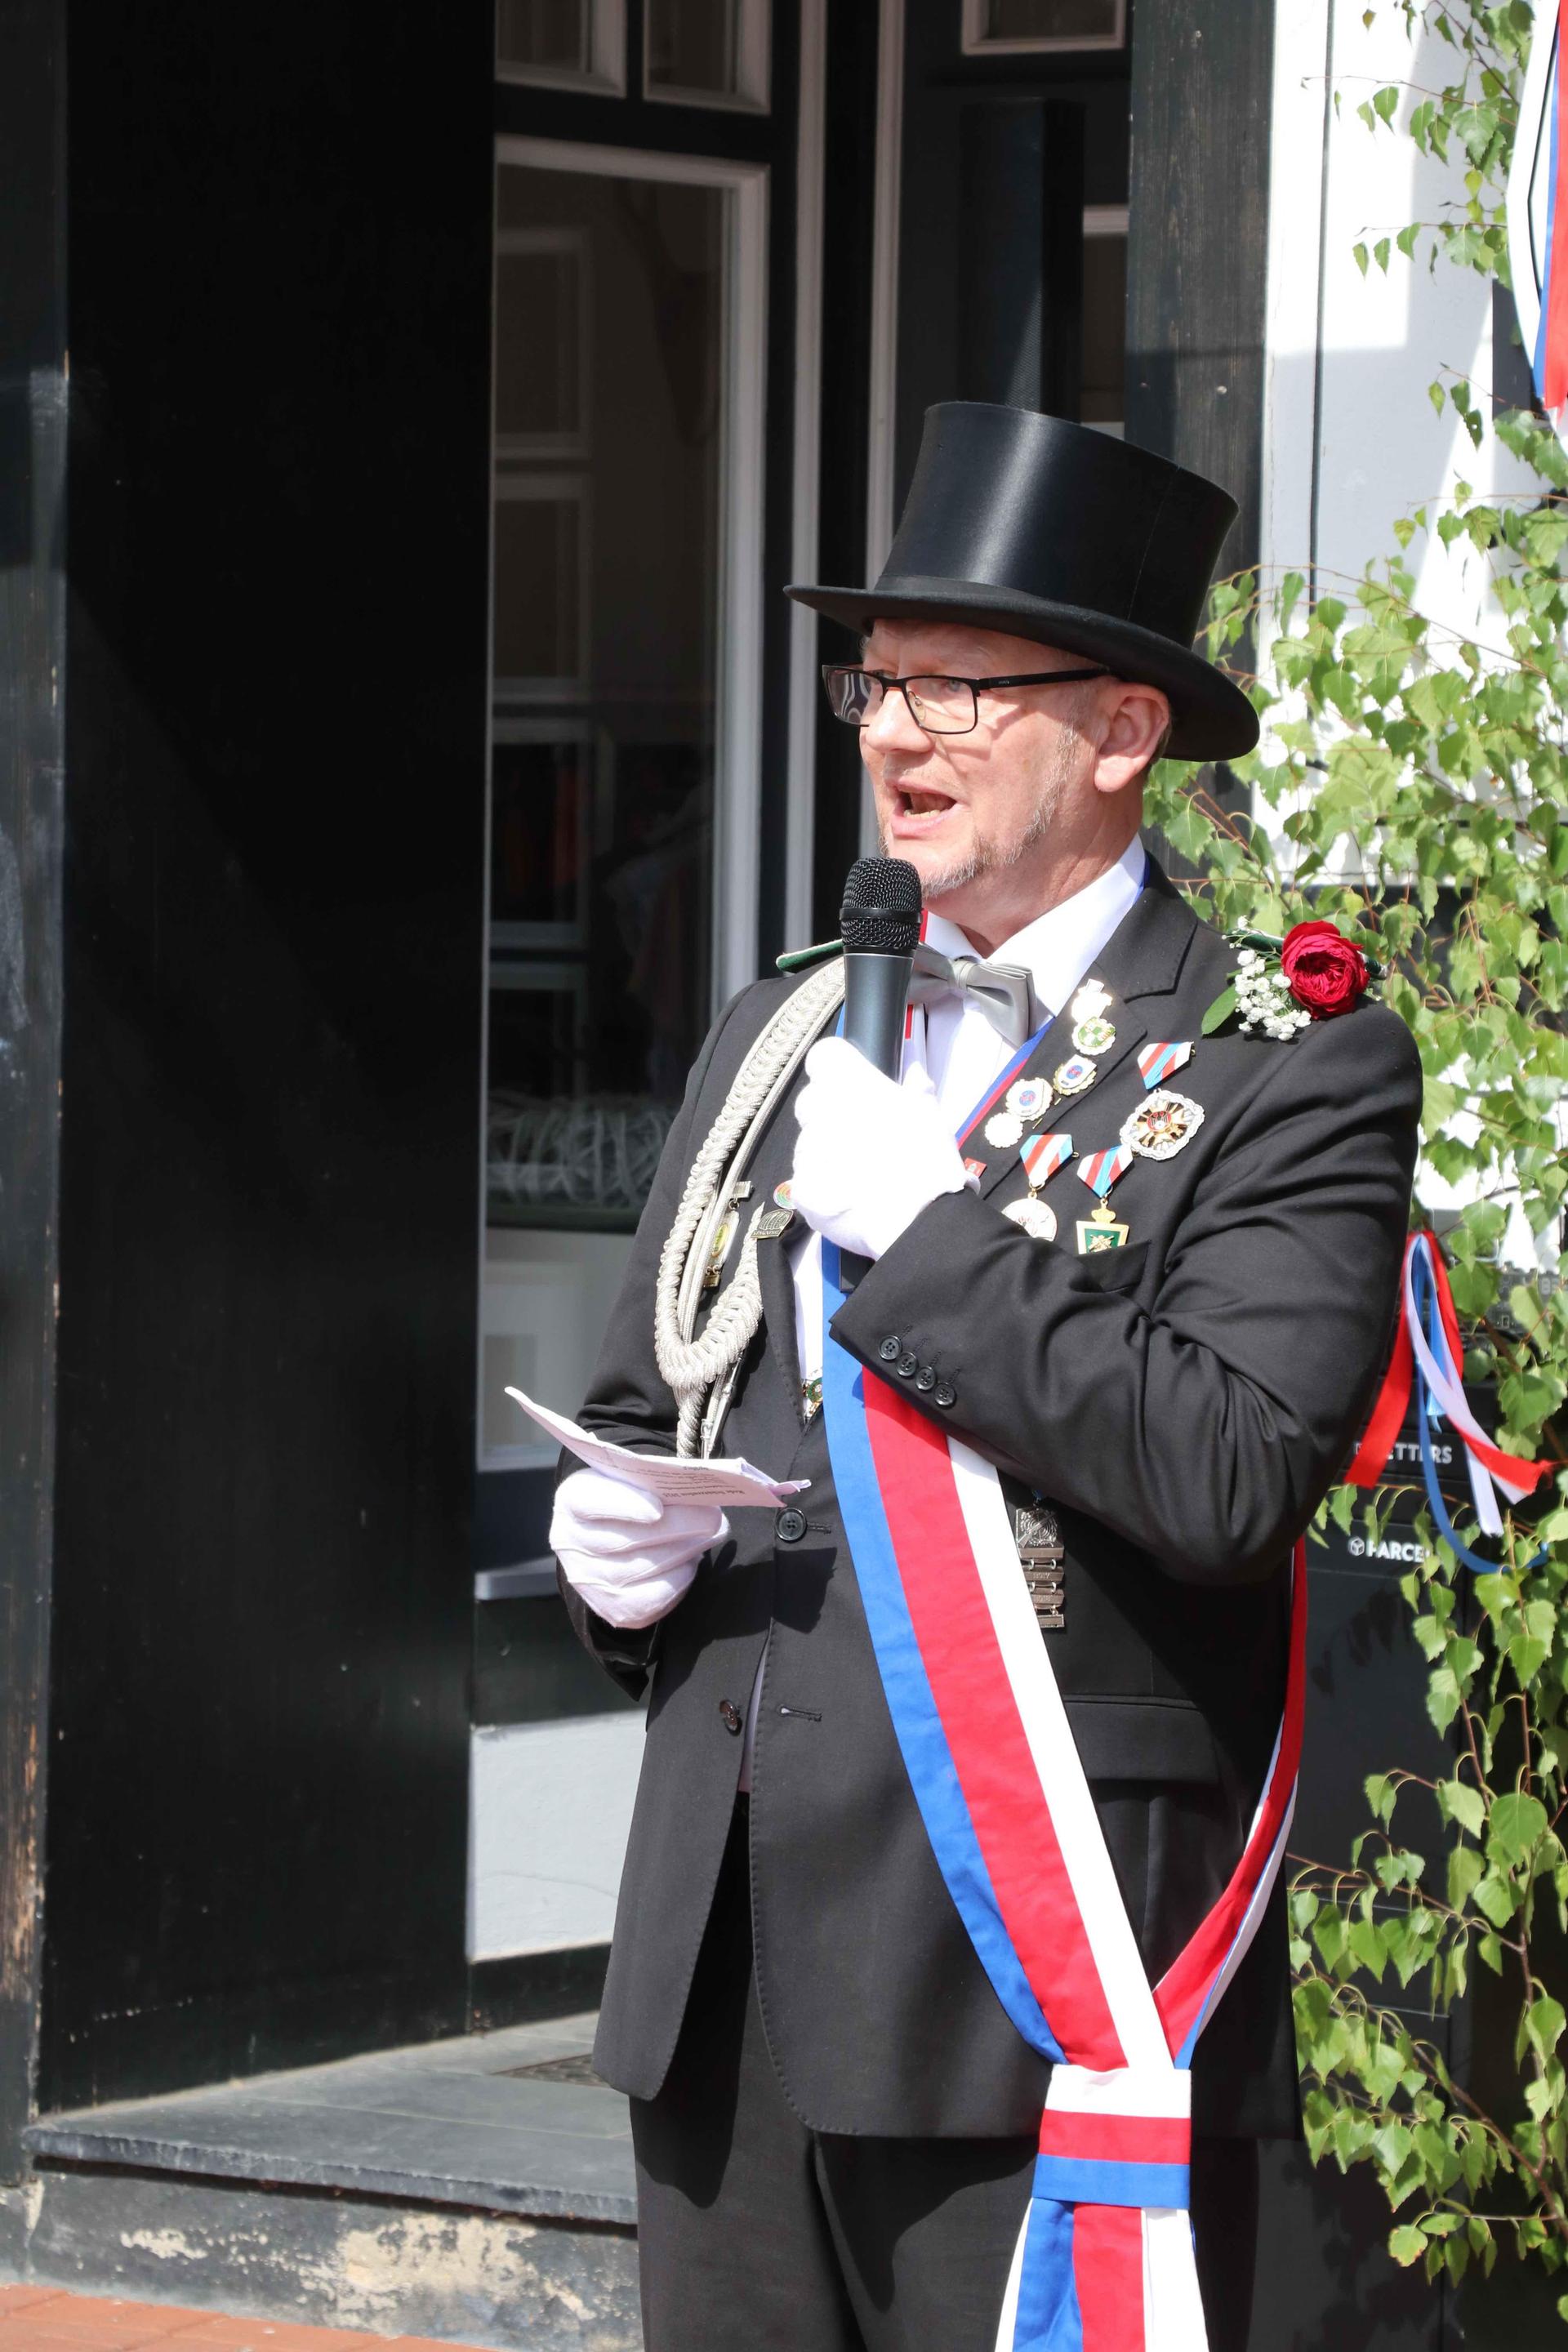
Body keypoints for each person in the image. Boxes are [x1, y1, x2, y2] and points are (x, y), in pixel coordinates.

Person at [551, 403, 1422, 2352]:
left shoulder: (1288, 1055)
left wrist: (938, 1241)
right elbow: (657, 1399)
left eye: (961, 688)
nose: (893, 733)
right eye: (881, 681)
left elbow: (1230, 1466)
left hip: (1022, 1976)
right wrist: (613, 1544)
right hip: (722, 1971)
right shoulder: (787, 1022)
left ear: (1122, 734)